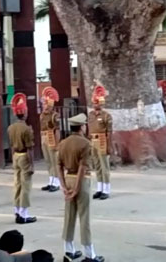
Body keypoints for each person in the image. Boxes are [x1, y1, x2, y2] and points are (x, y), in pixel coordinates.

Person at [57, 113, 104, 262]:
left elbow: (58, 165)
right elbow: (83, 168)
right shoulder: (85, 144)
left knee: (69, 216)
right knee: (84, 217)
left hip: (68, 178)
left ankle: (68, 250)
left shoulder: (63, 143)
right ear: (82, 127)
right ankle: (89, 254)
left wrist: (64, 186)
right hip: (81, 181)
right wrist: (77, 189)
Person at [7, 93, 37, 224]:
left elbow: (12, 145)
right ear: (24, 112)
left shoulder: (11, 128)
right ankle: (24, 214)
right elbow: (30, 148)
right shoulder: (27, 129)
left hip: (16, 156)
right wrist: (31, 164)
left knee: (17, 184)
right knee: (26, 186)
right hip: (24, 156)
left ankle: (17, 210)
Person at [89, 85, 112, 200]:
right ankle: (99, 188)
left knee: (104, 166)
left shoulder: (106, 116)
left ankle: (106, 189)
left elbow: (109, 132)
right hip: (93, 141)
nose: (95, 105)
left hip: (103, 140)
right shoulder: (91, 115)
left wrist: (109, 146)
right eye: (94, 103)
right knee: (96, 165)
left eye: (97, 103)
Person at [39, 87, 61, 192]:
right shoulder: (42, 115)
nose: (45, 106)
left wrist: (57, 143)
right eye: (44, 104)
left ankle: (56, 182)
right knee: (47, 161)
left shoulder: (54, 115)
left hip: (51, 137)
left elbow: (57, 130)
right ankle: (51, 180)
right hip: (43, 137)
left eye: (47, 104)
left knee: (53, 160)